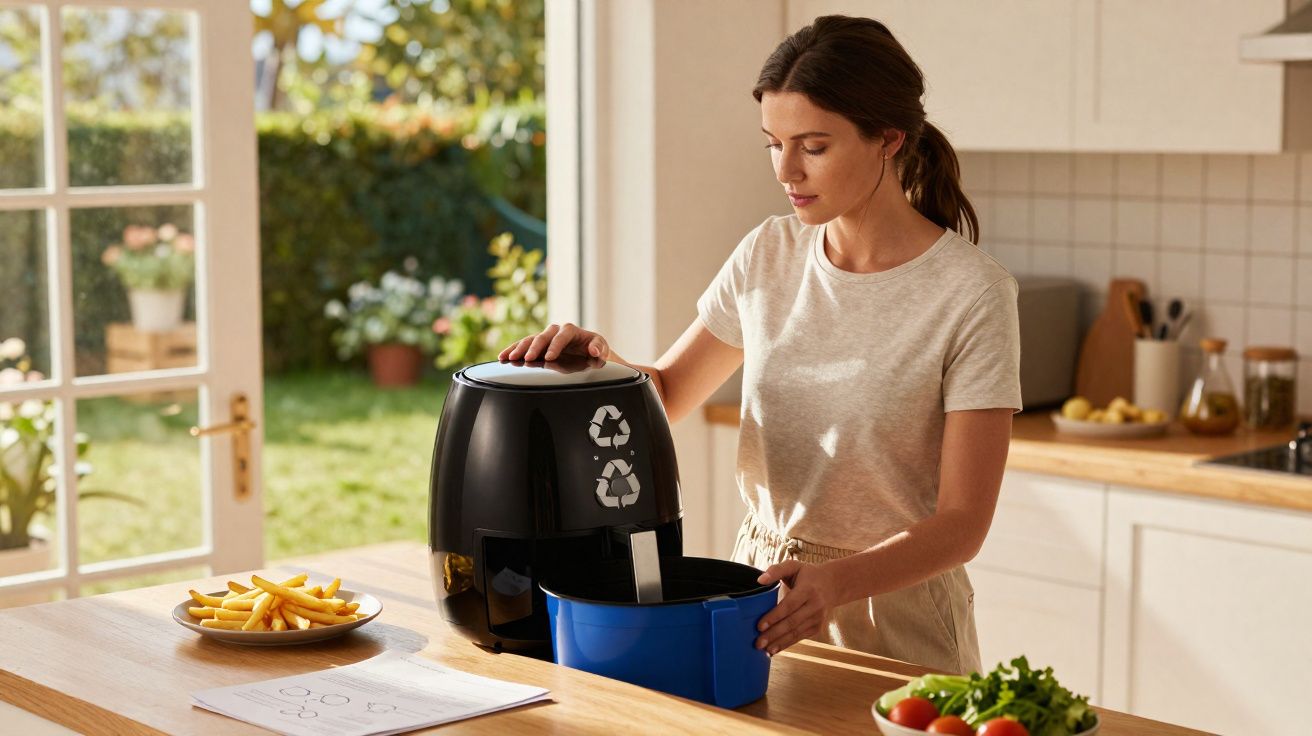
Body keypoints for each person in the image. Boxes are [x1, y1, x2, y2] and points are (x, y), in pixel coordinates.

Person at [499, 15, 1019, 675]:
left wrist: (837, 583)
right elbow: (667, 394)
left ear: (888, 138)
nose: (786, 169)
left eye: (814, 145)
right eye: (772, 143)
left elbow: (962, 525)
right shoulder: (769, 254)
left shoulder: (971, 293)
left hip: (897, 623)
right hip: (757, 601)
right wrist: (601, 369)